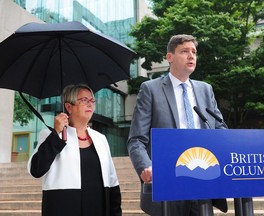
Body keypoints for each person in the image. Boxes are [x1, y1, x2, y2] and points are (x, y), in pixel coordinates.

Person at [127, 34, 228, 216]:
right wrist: (146, 167)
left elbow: (219, 129)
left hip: (204, 181)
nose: (191, 56)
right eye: (184, 51)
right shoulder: (150, 89)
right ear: (169, 57)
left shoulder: (206, 89)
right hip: (167, 182)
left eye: (194, 52)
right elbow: (136, 140)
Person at [27, 84, 121, 216]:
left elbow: (113, 183)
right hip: (64, 208)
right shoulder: (50, 136)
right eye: (84, 100)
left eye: (92, 101)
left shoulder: (100, 139)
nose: (90, 104)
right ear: (68, 107)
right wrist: (56, 134)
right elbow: (35, 170)